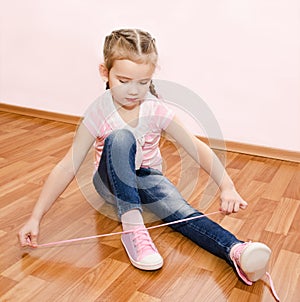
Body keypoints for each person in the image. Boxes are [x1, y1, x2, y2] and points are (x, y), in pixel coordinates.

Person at [19, 28, 273, 289]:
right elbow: (66, 167)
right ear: (104, 72)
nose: (133, 91)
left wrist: (227, 186)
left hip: (148, 178)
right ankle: (133, 227)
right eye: (123, 80)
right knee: (120, 138)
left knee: (182, 212)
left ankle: (236, 251)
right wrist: (35, 217)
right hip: (110, 185)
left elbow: (196, 148)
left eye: (142, 83)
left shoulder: (156, 110)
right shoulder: (98, 113)